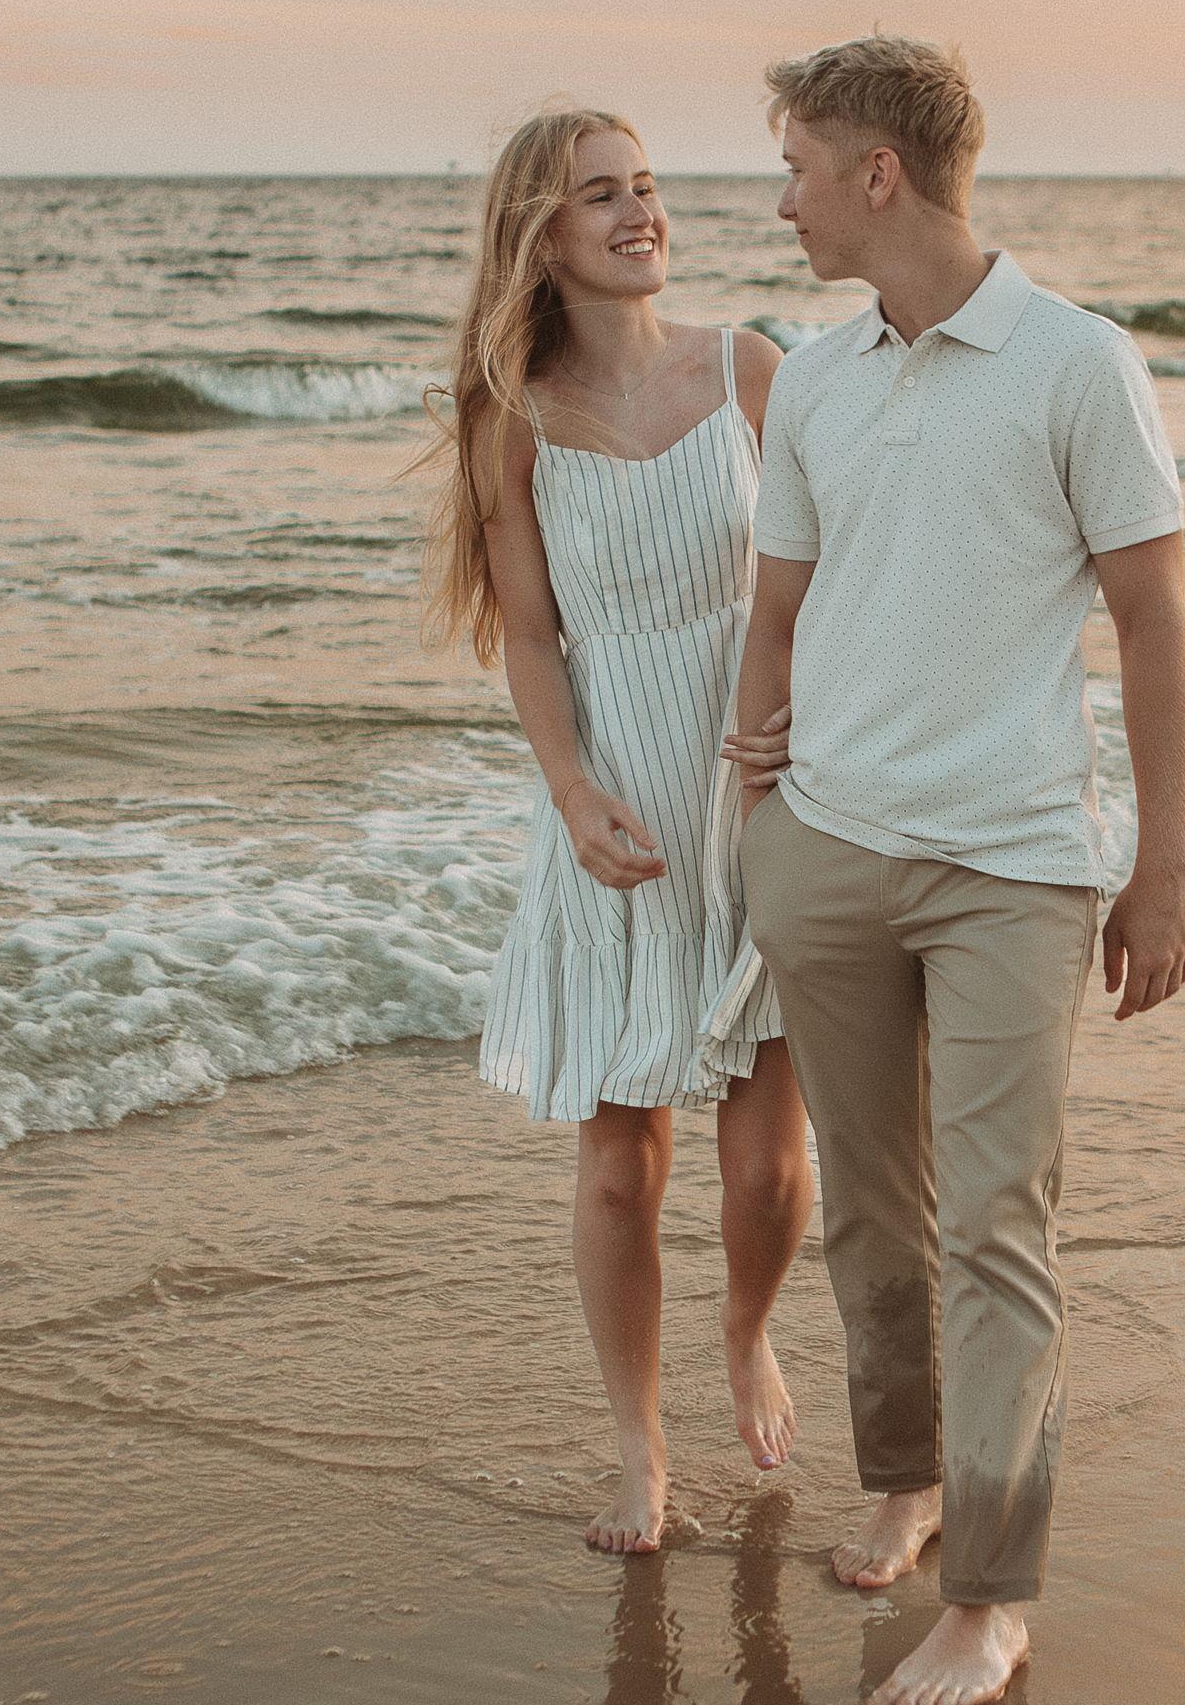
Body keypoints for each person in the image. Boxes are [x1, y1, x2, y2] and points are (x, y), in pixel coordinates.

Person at [725, 37, 1185, 1705]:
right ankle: (910, 1479)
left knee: (1000, 1225)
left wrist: (1163, 868)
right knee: (871, 1215)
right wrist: (754, 815)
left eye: (796, 165)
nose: (777, 199)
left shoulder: (1078, 364)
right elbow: (779, 608)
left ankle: (995, 1597)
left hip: (1010, 868)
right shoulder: (820, 379)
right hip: (827, 852)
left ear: (879, 174)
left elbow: (1151, 619)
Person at [422, 107, 813, 1556]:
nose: (641, 212)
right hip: (619, 797)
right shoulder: (511, 417)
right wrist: (573, 792)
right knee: (618, 1156)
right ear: (544, 232)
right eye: (604, 196)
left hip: (761, 782)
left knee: (768, 1166)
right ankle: (640, 1450)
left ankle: (747, 1328)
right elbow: (529, 635)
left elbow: (834, 567)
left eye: (646, 187)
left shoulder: (752, 370)